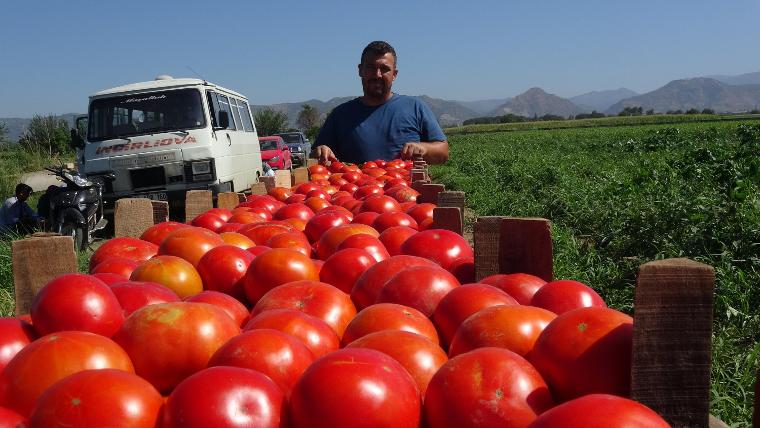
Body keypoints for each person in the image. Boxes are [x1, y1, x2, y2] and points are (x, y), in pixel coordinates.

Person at [314, 41, 449, 165]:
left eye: (384, 69)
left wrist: (423, 148)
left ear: (394, 74)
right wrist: (322, 151)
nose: (377, 74)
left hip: (406, 189)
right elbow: (316, 156)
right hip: (354, 190)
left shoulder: (415, 107)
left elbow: (443, 152)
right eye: (371, 67)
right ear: (360, 70)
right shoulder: (340, 115)